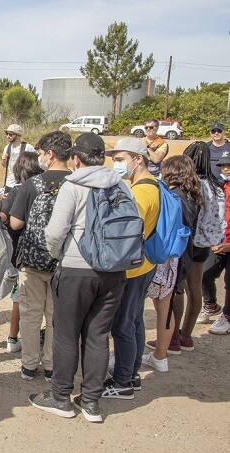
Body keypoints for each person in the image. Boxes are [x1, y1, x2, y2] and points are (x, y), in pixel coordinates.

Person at [30, 133, 128, 422]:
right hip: (114, 270)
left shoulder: (73, 186)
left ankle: (60, 396)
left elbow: (55, 232)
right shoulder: (120, 184)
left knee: (66, 334)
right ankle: (91, 402)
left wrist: (59, 255)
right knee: (98, 335)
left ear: (75, 158)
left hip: (76, 268)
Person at [9, 131, 72, 381]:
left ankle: (28, 365)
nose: (40, 158)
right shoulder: (77, 184)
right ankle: (51, 366)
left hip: (32, 260)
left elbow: (15, 223)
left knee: (31, 314)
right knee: (55, 316)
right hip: (64, 262)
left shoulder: (31, 185)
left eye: (42, 153)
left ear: (51, 154)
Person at [103, 138, 160, 400]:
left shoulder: (140, 193)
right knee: (135, 320)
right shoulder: (153, 184)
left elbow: (126, 230)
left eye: (120, 159)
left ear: (138, 159)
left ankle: (123, 381)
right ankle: (132, 373)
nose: (115, 164)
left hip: (133, 268)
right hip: (146, 264)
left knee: (122, 325)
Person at [142, 155, 200, 371]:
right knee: (166, 308)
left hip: (164, 257)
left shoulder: (171, 196)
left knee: (149, 307)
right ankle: (162, 354)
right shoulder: (192, 196)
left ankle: (160, 351)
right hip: (181, 257)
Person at [0, 151, 43, 352]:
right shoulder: (46, 189)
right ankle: (15, 338)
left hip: (18, 250)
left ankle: (7, 334)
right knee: (34, 302)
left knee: (17, 296)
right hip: (41, 252)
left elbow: (8, 219)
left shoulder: (19, 191)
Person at [182, 142, 225, 339]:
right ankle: (187, 335)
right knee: (195, 289)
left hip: (187, 242)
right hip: (205, 242)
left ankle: (173, 337)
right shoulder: (215, 185)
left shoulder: (190, 185)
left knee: (178, 290)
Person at [199, 154, 230, 335]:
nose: (225, 169)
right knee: (205, 274)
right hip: (219, 242)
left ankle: (227, 316)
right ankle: (211, 305)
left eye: (229, 166)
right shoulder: (221, 187)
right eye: (223, 166)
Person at [0, 124, 35, 193]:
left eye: (11, 134)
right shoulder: (7, 147)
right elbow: (4, 165)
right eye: (7, 134)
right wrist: (3, 161)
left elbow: (35, 165)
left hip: (23, 183)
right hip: (9, 183)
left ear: (18, 135)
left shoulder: (28, 147)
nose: (8, 136)